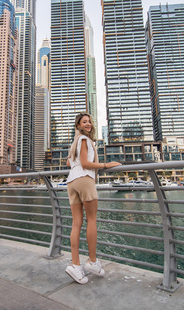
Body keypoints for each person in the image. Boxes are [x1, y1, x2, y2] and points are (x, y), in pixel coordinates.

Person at [64, 113, 121, 284]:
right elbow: (85, 164)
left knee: (76, 223)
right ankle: (92, 262)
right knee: (92, 220)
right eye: (84, 122)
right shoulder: (84, 140)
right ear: (79, 125)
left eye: (89, 121)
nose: (88, 124)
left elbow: (69, 163)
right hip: (84, 180)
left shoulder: (75, 142)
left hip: (71, 182)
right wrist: (106, 165)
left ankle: (75, 265)